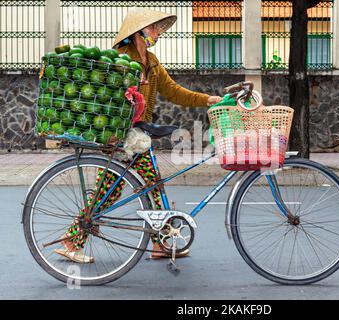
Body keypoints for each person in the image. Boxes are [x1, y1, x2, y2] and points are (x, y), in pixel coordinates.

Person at [54, 9, 221, 263]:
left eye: (157, 29)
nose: (157, 33)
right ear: (139, 32)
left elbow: (174, 91)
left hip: (138, 134)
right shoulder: (121, 59)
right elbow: (107, 95)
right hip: (120, 135)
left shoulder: (151, 62)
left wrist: (208, 99)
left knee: (143, 186)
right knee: (118, 190)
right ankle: (73, 240)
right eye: (153, 28)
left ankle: (158, 242)